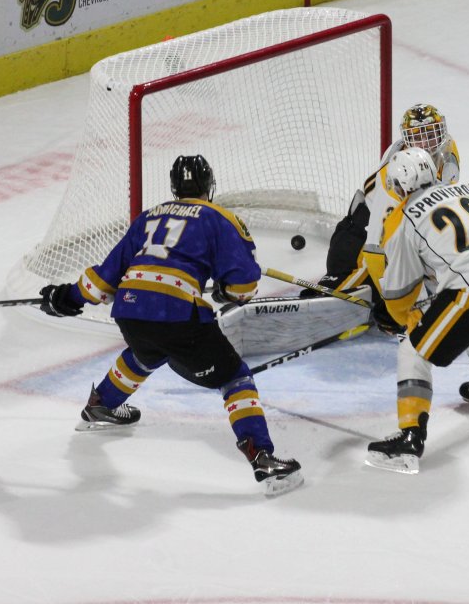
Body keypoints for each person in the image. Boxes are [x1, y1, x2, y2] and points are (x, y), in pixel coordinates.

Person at [37, 155, 304, 496]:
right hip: (178, 316)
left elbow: (103, 280)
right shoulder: (219, 217)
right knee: (235, 377)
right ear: (210, 185)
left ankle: (100, 405)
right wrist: (226, 291)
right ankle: (262, 457)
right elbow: (244, 284)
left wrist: (66, 298)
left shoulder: (148, 216)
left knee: (145, 352)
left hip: (130, 311)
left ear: (174, 188)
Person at [364, 147, 469, 473]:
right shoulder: (468, 189)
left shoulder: (404, 219)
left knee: (414, 349)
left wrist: (404, 319)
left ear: (400, 185)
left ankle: (409, 440)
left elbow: (399, 295)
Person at [304, 103, 461, 302]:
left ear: (441, 132)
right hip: (360, 235)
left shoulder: (448, 150)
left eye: (430, 134)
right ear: (407, 140)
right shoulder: (396, 173)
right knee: (337, 293)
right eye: (417, 137)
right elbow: (376, 243)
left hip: (396, 230)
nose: (425, 143)